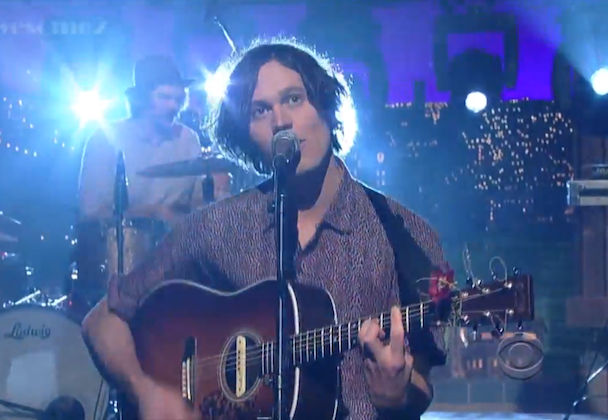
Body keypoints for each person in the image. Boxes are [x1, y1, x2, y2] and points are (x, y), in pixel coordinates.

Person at [81, 39, 448, 420]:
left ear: (327, 107)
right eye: (260, 110)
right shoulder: (219, 227)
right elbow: (102, 320)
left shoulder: (404, 234)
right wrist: (146, 391)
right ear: (246, 134)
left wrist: (397, 397)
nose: (281, 121)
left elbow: (422, 382)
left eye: (294, 99)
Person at [78, 55, 203, 222]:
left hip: (180, 237)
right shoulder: (105, 139)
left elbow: (199, 204)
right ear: (141, 99)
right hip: (121, 238)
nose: (174, 106)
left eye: (178, 99)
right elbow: (91, 210)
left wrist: (218, 191)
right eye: (164, 98)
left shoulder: (188, 139)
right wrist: (152, 213)